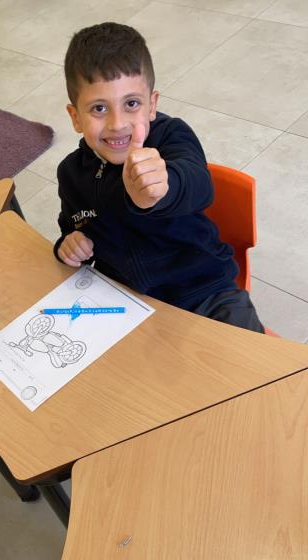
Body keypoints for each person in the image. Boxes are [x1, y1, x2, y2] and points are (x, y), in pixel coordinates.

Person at [54, 22, 264, 333]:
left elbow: (199, 185)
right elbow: (72, 226)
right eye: (99, 108)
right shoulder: (71, 173)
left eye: (131, 104)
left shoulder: (171, 135)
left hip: (205, 291)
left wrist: (161, 189)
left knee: (250, 359)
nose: (117, 123)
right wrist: (68, 245)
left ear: (151, 105)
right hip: (127, 303)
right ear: (75, 117)